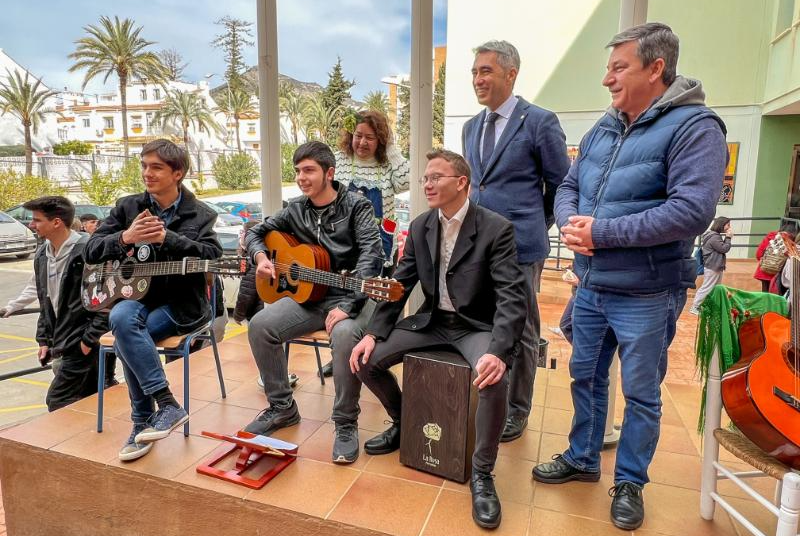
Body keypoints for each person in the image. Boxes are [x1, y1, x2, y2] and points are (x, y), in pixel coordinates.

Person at [532, 23, 728, 531]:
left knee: (641, 392)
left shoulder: (697, 128)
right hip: (592, 284)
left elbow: (691, 212)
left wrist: (603, 233)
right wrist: (573, 224)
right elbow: (569, 184)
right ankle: (582, 457)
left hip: (648, 290)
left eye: (618, 68)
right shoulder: (605, 125)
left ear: (656, 68)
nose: (607, 79)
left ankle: (630, 482)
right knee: (585, 377)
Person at [350, 149, 527, 530]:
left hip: (476, 325)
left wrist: (498, 352)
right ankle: (401, 421)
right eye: (424, 179)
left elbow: (513, 296)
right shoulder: (420, 226)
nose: (427, 184)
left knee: (494, 381)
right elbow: (400, 285)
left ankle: (482, 474)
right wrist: (372, 333)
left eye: (435, 177)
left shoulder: (496, 228)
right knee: (364, 360)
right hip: (432, 321)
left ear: (461, 182)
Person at [243, 141, 383, 465]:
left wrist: (348, 305)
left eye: (308, 170)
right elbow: (256, 232)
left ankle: (346, 423)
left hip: (354, 297)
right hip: (308, 297)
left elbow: (371, 257)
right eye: (297, 171)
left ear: (329, 173)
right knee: (261, 325)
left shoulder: (357, 206)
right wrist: (261, 256)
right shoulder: (295, 209)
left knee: (346, 336)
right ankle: (282, 408)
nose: (301, 177)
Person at [85, 139, 222, 462]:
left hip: (180, 307)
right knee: (122, 319)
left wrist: (169, 239)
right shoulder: (127, 208)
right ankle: (168, 405)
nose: (147, 173)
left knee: (124, 336)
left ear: (178, 173)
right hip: (136, 300)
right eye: (144, 166)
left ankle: (141, 420)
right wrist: (125, 237)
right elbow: (90, 251)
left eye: (156, 167)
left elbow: (214, 257)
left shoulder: (201, 215)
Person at [461, 40, 571, 442]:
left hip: (521, 246)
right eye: (474, 72)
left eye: (485, 71)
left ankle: (517, 409)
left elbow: (561, 185)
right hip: (476, 244)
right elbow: (475, 185)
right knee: (485, 322)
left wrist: (534, 224)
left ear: (511, 74)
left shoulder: (540, 121)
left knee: (521, 329)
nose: (477, 79)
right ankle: (490, 393)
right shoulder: (471, 126)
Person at [23, 196, 108, 411]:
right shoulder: (42, 253)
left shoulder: (88, 251)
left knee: (57, 400)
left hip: (82, 342)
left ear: (56, 222)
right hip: (63, 341)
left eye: (37, 220)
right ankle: (90, 441)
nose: (32, 225)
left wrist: (89, 341)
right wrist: (44, 339)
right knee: (89, 398)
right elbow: (46, 300)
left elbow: (107, 299)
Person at [335, 110, 410, 267]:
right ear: (351, 135)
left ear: (380, 140)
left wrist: (390, 148)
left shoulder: (388, 164)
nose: (362, 142)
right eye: (358, 135)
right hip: (345, 244)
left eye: (370, 138)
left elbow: (407, 181)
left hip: (383, 243)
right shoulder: (339, 160)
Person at [689, 217, 732, 314]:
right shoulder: (714, 237)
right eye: (728, 225)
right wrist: (728, 237)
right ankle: (695, 306)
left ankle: (710, 306)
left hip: (715, 265)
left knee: (715, 288)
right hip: (713, 265)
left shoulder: (714, 235)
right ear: (721, 224)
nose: (729, 227)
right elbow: (724, 248)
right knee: (707, 287)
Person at [753, 221, 796, 292]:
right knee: (777, 294)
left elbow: (758, 254)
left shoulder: (771, 236)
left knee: (765, 293)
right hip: (778, 274)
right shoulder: (790, 242)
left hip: (764, 270)